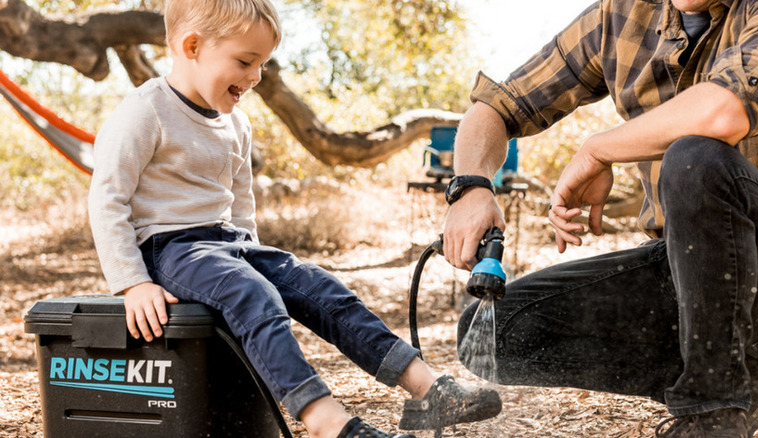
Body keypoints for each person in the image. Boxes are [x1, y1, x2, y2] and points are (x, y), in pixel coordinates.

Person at [86, 1, 502, 437]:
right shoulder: (145, 111)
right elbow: (107, 198)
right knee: (253, 294)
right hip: (170, 250)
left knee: (320, 287)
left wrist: (252, 254)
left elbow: (240, 204)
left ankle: (428, 388)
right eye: (245, 61)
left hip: (228, 244)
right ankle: (328, 423)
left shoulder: (237, 125)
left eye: (262, 63)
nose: (256, 76)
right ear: (192, 46)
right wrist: (133, 283)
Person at [443, 0, 758, 436]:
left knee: (695, 157)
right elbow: (498, 106)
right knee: (494, 333)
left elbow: (725, 111)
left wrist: (598, 149)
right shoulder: (619, 13)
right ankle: (746, 380)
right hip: (694, 277)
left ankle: (712, 415)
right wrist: (471, 185)